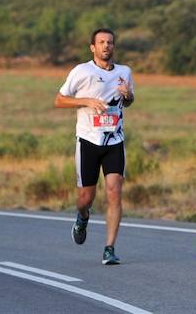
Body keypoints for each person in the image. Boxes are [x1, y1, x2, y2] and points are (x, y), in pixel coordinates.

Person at [55, 28, 134, 266]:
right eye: (101, 42)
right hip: (88, 141)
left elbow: (128, 102)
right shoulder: (82, 71)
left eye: (109, 42)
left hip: (114, 141)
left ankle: (109, 248)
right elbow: (59, 100)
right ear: (93, 47)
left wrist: (128, 95)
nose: (106, 46)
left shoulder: (124, 72)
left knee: (114, 191)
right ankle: (82, 216)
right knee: (85, 197)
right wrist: (86, 101)